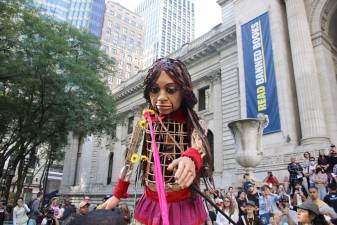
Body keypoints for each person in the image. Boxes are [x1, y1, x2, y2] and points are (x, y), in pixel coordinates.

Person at [102, 58, 212, 225]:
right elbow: (129, 162)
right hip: (150, 204)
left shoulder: (195, 123)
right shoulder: (144, 123)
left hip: (184, 207)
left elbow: (200, 145)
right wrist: (117, 194)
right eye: (154, 90)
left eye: (171, 90)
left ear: (183, 91)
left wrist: (190, 158)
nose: (161, 98)